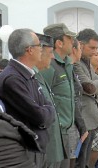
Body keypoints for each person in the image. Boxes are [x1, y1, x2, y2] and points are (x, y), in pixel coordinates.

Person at [0, 28, 55, 167]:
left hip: (36, 147)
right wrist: (47, 111)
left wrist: (47, 110)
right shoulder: (13, 78)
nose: (41, 49)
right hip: (25, 148)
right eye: (38, 45)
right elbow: (39, 115)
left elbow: (48, 106)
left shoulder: (27, 74)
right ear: (29, 49)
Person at [74, 29, 98, 167]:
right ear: (80, 44)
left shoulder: (87, 63)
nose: (94, 51)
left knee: (88, 162)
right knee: (80, 162)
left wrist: (96, 85)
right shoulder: (76, 63)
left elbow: (95, 86)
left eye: (96, 48)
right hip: (82, 120)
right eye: (92, 47)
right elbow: (88, 88)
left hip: (93, 120)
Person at [41, 23, 76, 167]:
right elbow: (43, 97)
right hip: (54, 134)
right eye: (69, 39)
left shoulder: (66, 63)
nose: (73, 42)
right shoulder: (48, 65)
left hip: (66, 132)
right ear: (59, 43)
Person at [34, 33, 65, 167]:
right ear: (39, 52)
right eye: (50, 52)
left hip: (50, 148)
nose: (52, 57)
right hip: (43, 149)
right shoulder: (31, 78)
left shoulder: (38, 75)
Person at [68, 38, 89, 168]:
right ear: (74, 50)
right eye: (80, 49)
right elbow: (73, 99)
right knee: (72, 161)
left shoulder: (71, 69)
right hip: (72, 123)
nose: (81, 52)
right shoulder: (68, 69)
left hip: (77, 121)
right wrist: (82, 126)